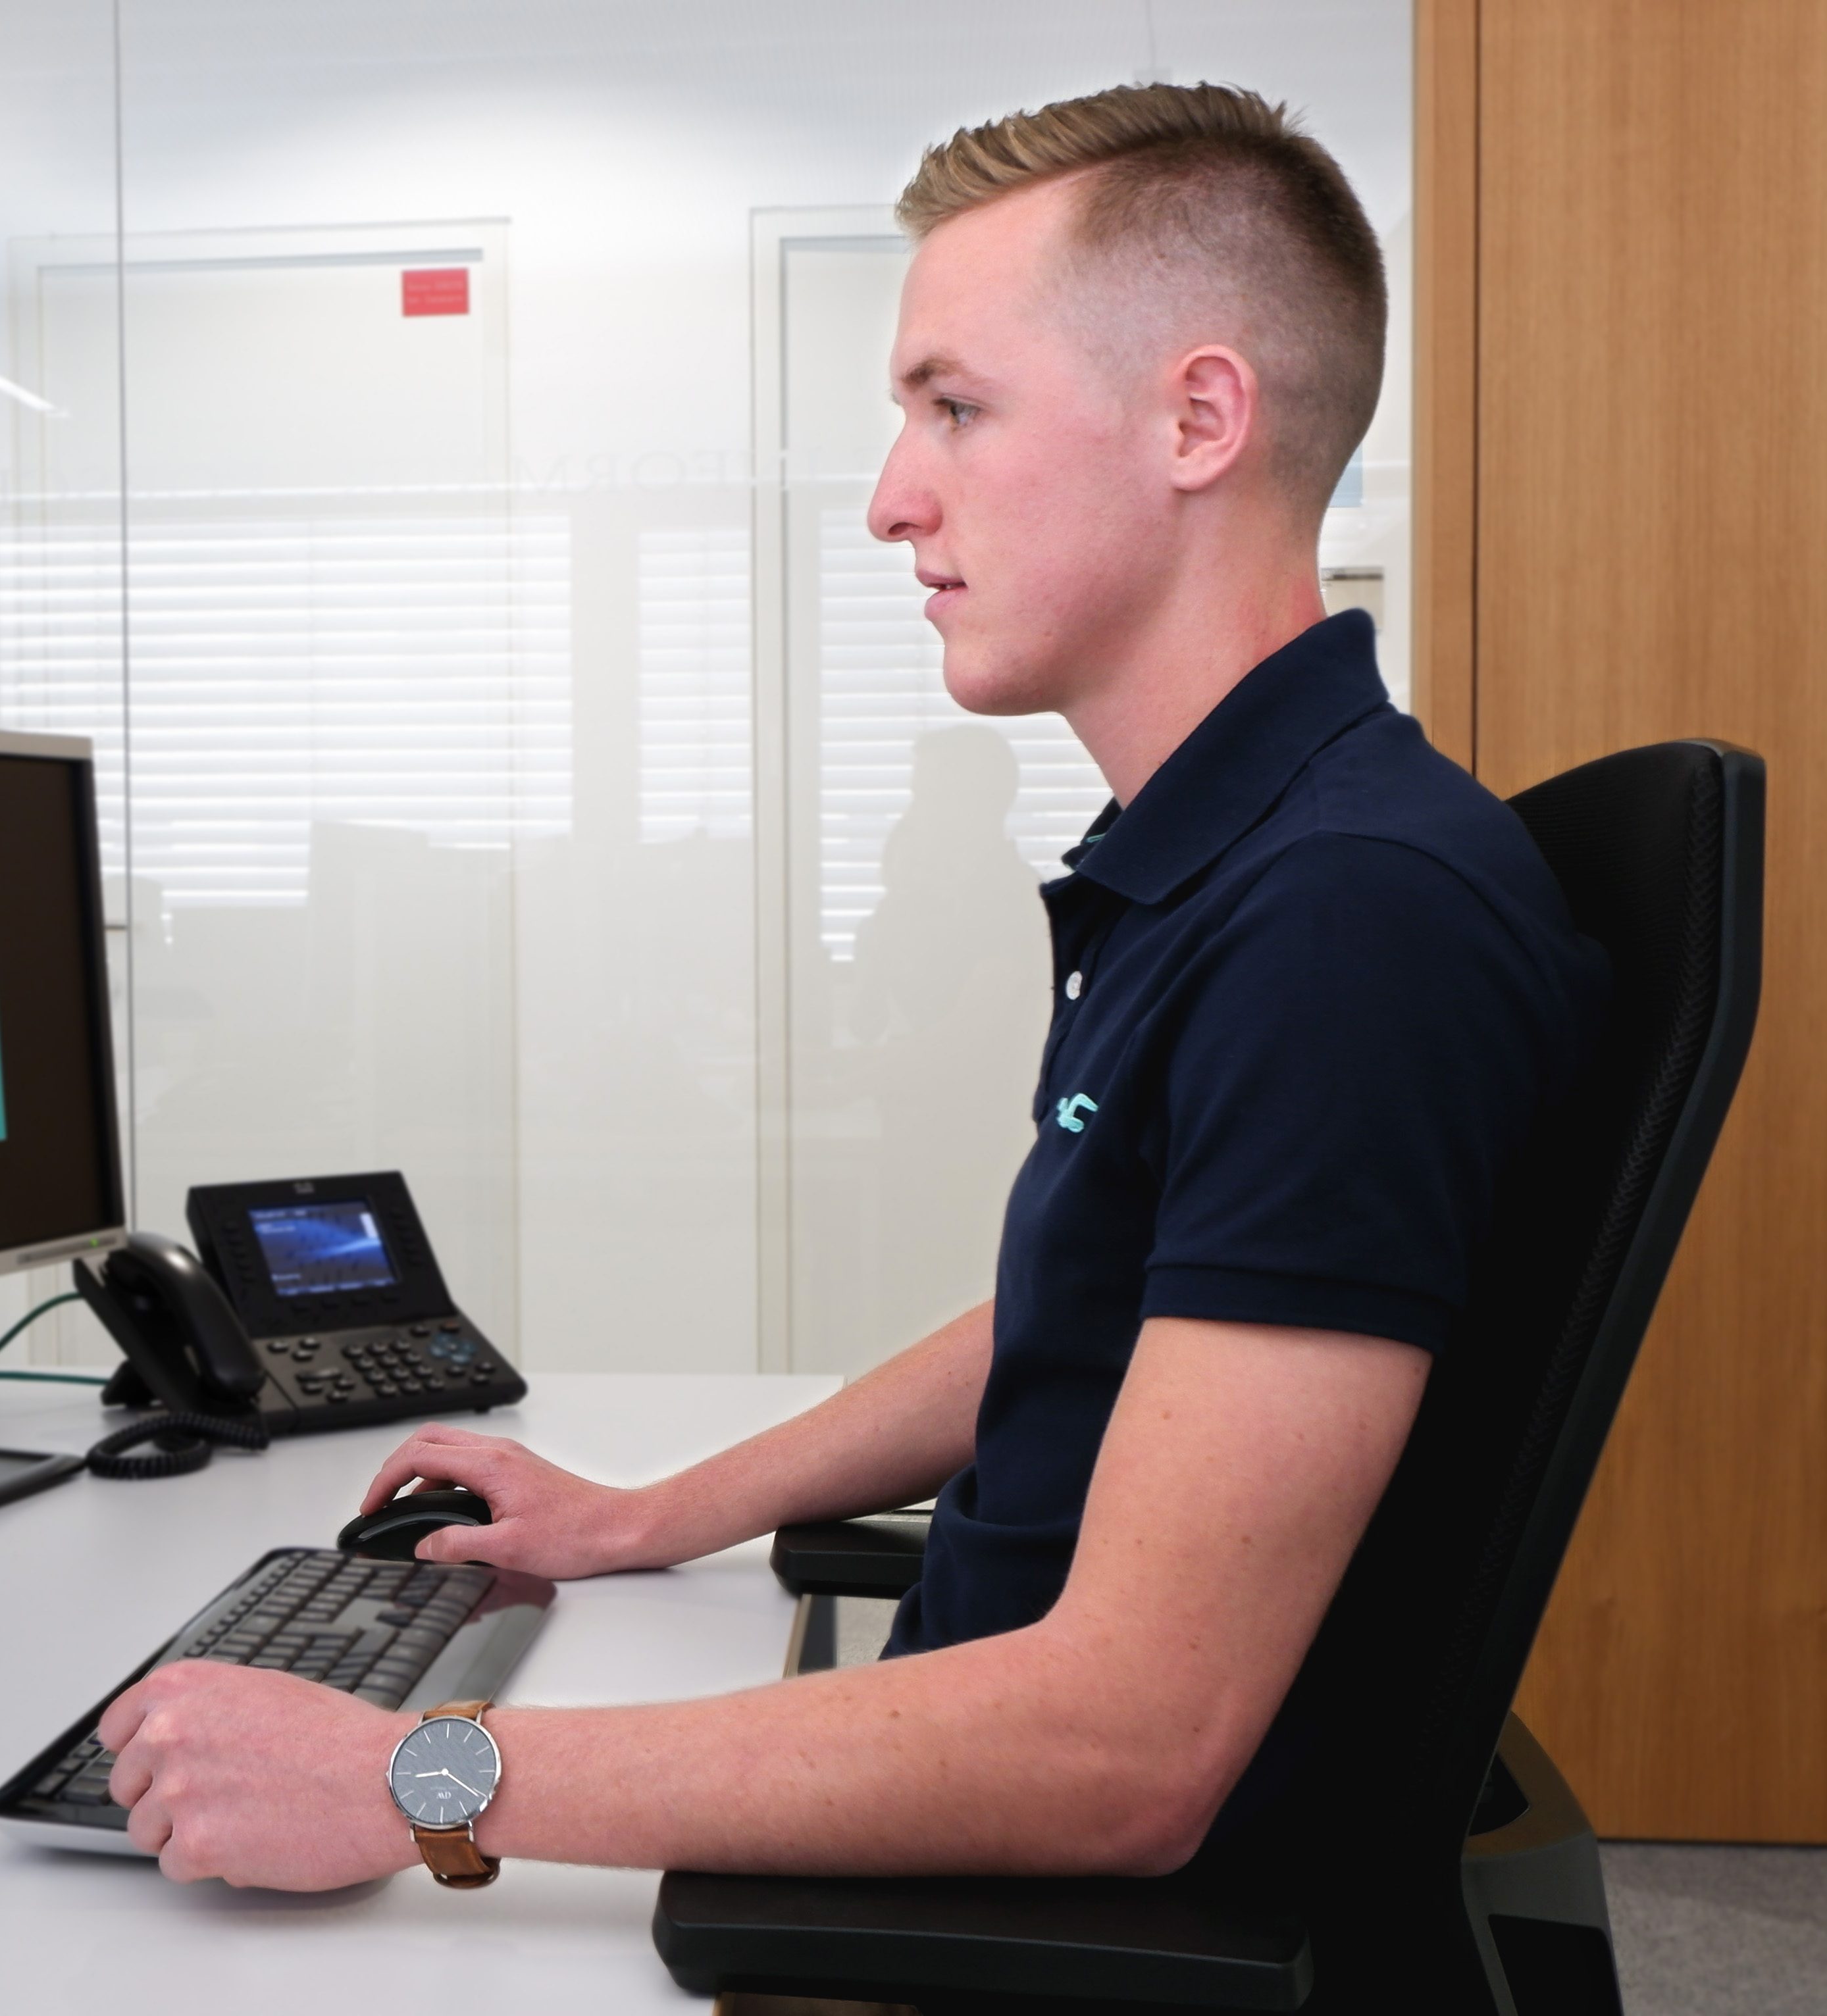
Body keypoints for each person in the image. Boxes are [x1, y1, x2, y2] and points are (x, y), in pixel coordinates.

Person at [95, 81, 1609, 1892]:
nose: (896, 502)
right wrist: (657, 1513)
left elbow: (1124, 1755)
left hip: (1037, 1920)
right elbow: (1101, 1310)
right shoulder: (1244, 858)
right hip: (965, 1793)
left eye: (956, 409)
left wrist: (420, 1775)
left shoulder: (1346, 917)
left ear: (1200, 417)